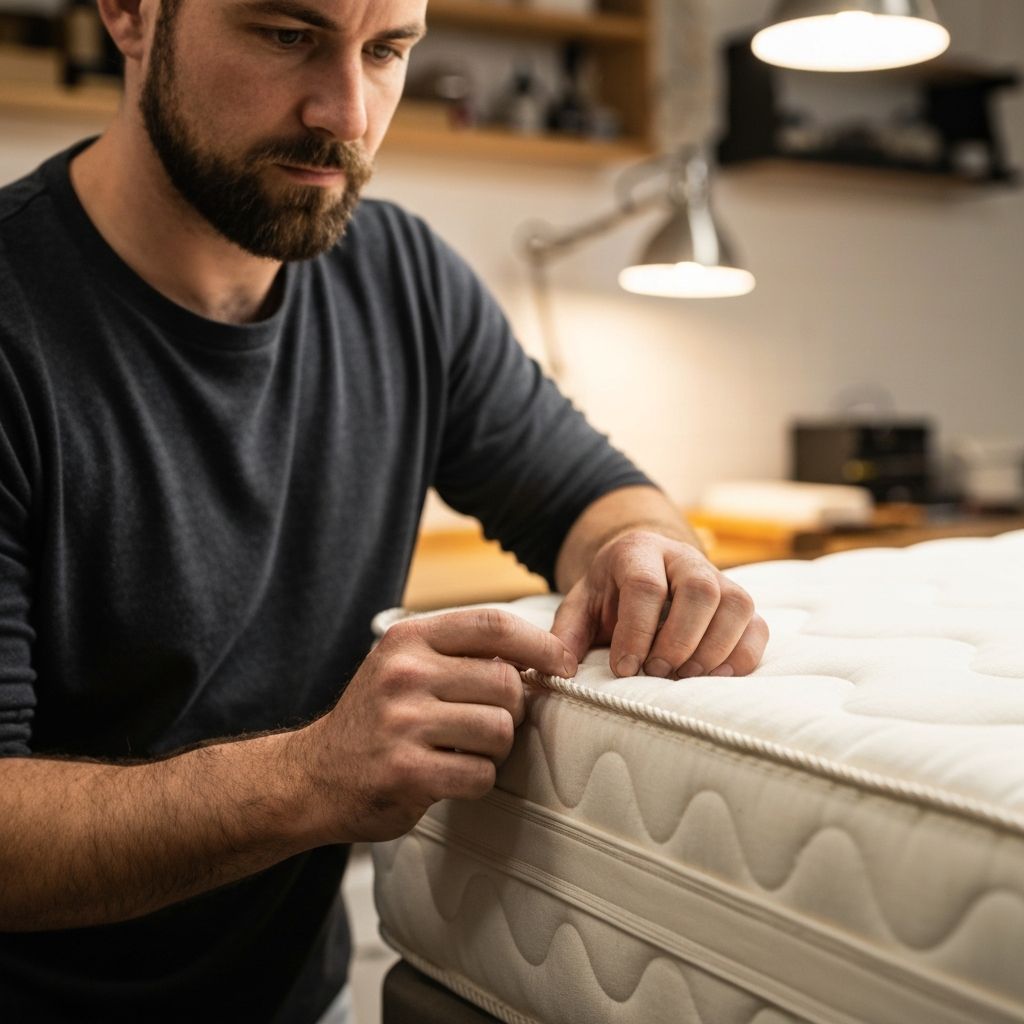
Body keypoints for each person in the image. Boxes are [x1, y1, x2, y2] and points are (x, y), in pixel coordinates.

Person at [0, 0, 769, 1020]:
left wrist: (645, 552)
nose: (348, 112)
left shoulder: (401, 274)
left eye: (388, 49)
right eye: (286, 35)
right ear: (132, 15)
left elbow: (590, 492)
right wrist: (312, 776)